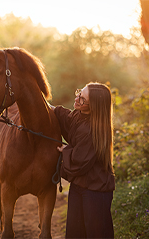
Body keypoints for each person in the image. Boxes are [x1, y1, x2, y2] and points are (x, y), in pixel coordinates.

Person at [51, 82, 115, 238]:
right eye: (79, 93)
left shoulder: (92, 130)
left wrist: (66, 150)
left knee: (95, 234)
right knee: (75, 232)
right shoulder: (79, 115)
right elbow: (64, 117)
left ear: (94, 107)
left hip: (95, 190)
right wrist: (43, 104)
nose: (77, 99)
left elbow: (79, 162)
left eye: (82, 99)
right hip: (79, 185)